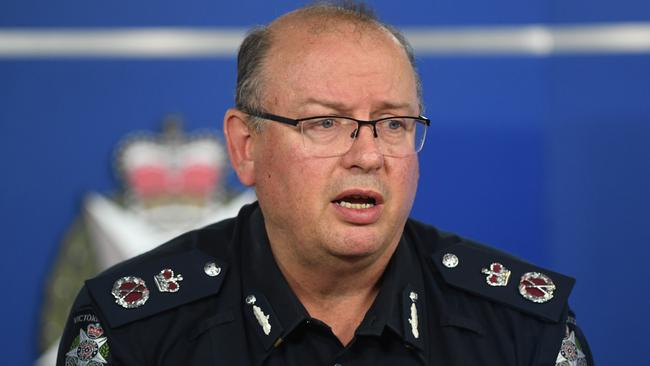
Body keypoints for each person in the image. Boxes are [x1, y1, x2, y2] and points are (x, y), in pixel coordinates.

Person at [57, 2, 593, 365]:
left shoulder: (525, 330)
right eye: (325, 123)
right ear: (246, 146)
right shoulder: (129, 329)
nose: (368, 155)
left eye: (394, 124)